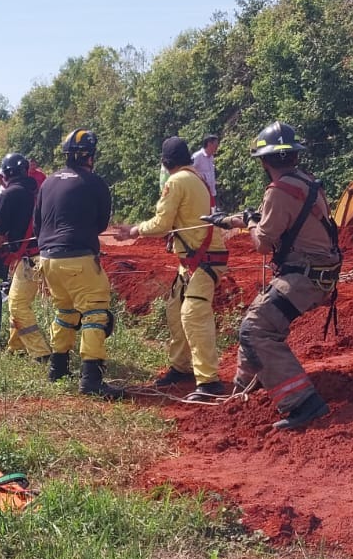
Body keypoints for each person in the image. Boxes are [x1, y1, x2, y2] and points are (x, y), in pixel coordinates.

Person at [209, 122, 342, 429]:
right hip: (318, 274)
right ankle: (245, 388)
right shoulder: (306, 182)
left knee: (255, 329)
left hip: (303, 278)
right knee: (255, 321)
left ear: (265, 161)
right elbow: (269, 218)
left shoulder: (278, 191)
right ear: (293, 157)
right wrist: (229, 221)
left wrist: (250, 224)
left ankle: (303, 403)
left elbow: (263, 243)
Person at [114, 137, 226, 399]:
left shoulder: (176, 182)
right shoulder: (196, 177)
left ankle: (209, 381)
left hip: (204, 260)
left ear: (165, 163)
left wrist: (133, 230)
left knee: (193, 314)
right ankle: (182, 367)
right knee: (175, 311)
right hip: (195, 260)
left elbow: (162, 223)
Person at [35, 128, 124, 399]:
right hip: (78, 257)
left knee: (65, 311)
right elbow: (100, 224)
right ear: (90, 156)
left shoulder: (47, 182)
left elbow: (38, 223)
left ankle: (58, 368)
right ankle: (91, 378)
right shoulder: (95, 183)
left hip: (47, 259)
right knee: (95, 313)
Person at [0, 153, 50, 359]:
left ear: (7, 172)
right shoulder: (38, 191)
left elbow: (0, 231)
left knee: (17, 304)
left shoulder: (9, 194)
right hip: (47, 253)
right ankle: (16, 347)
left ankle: (40, 352)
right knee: (16, 297)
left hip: (31, 257)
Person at [191, 134, 220, 211]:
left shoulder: (211, 157)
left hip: (211, 192)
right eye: (215, 145)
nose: (217, 147)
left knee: (212, 212)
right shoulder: (197, 156)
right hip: (200, 193)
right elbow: (190, 170)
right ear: (209, 144)